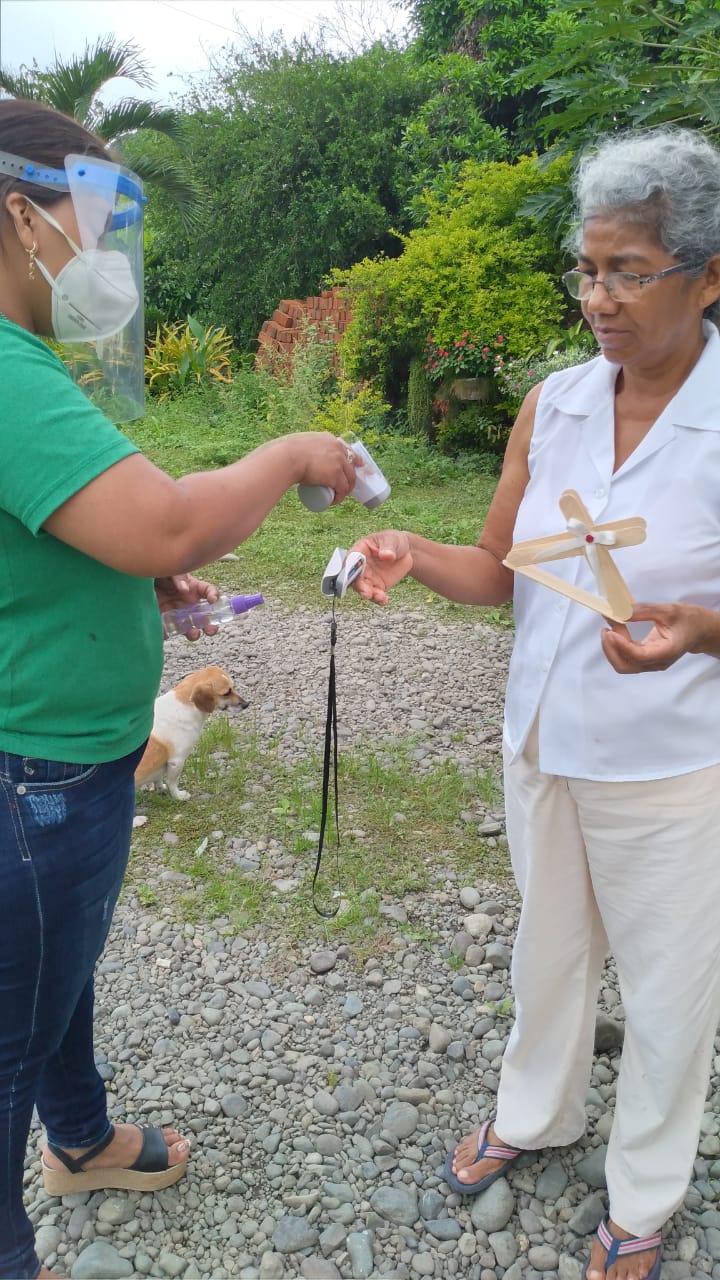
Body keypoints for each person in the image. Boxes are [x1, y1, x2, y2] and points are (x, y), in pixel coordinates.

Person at [0, 98, 360, 1280]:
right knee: (13, 1025)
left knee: (57, 976)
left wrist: (123, 576)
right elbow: (163, 518)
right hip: (34, 773)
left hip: (62, 759)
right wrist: (291, 452)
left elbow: (67, 529)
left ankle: (81, 1137)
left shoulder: (23, 365)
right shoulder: (5, 372)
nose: (104, 255)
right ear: (22, 216)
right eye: (91, 222)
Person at [352, 125, 720, 1280]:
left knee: (667, 987)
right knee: (546, 948)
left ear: (708, 275)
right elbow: (497, 568)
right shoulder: (553, 404)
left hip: (670, 758)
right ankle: (536, 1109)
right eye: (587, 269)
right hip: (544, 738)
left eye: (629, 272)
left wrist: (702, 630)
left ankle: (645, 1189)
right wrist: (414, 551)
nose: (599, 299)